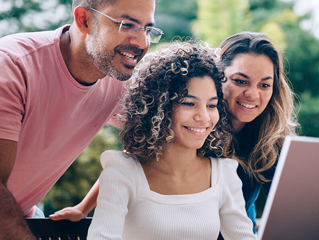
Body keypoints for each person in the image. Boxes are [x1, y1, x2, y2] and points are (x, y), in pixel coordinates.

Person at [0, 0, 162, 238]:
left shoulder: (117, 82)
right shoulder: (13, 65)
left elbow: (153, 146)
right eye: (127, 25)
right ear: (84, 19)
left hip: (21, 215)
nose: (141, 42)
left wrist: (84, 207)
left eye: (147, 29)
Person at [86, 42, 256, 239]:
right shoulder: (123, 171)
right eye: (188, 103)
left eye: (212, 105)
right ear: (158, 107)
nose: (204, 117)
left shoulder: (224, 174)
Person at [217, 31, 298, 237]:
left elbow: (291, 211)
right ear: (217, 77)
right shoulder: (193, 130)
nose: (253, 94)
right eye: (240, 81)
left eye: (264, 85)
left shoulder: (271, 137)